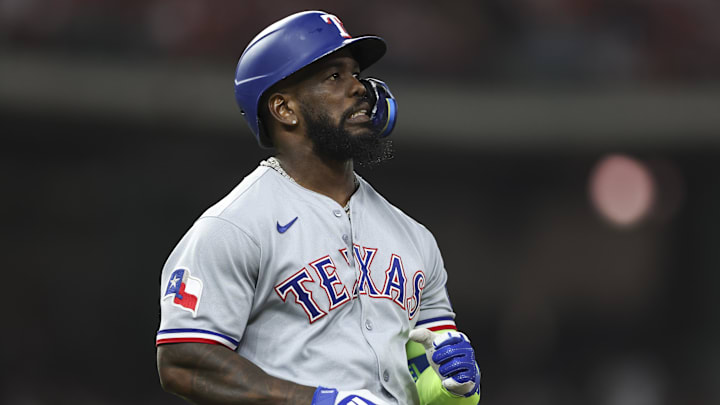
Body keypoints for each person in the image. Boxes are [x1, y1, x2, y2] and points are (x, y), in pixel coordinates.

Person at [156, 10, 481, 405]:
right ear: (284, 109)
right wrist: (317, 401)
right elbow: (182, 362)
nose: (360, 87)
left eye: (356, 73)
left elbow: (425, 378)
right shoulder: (234, 225)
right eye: (334, 76)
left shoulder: (414, 238)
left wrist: (452, 388)